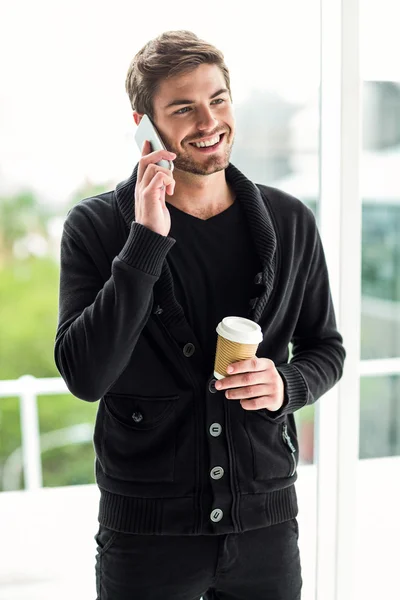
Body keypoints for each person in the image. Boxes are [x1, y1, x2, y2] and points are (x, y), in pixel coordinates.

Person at [54, 30, 345, 600]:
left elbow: (326, 349)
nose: (208, 121)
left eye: (217, 99)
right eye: (183, 108)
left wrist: (286, 383)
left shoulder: (290, 222)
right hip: (145, 535)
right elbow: (85, 376)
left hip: (265, 527)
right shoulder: (94, 228)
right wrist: (144, 241)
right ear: (145, 123)